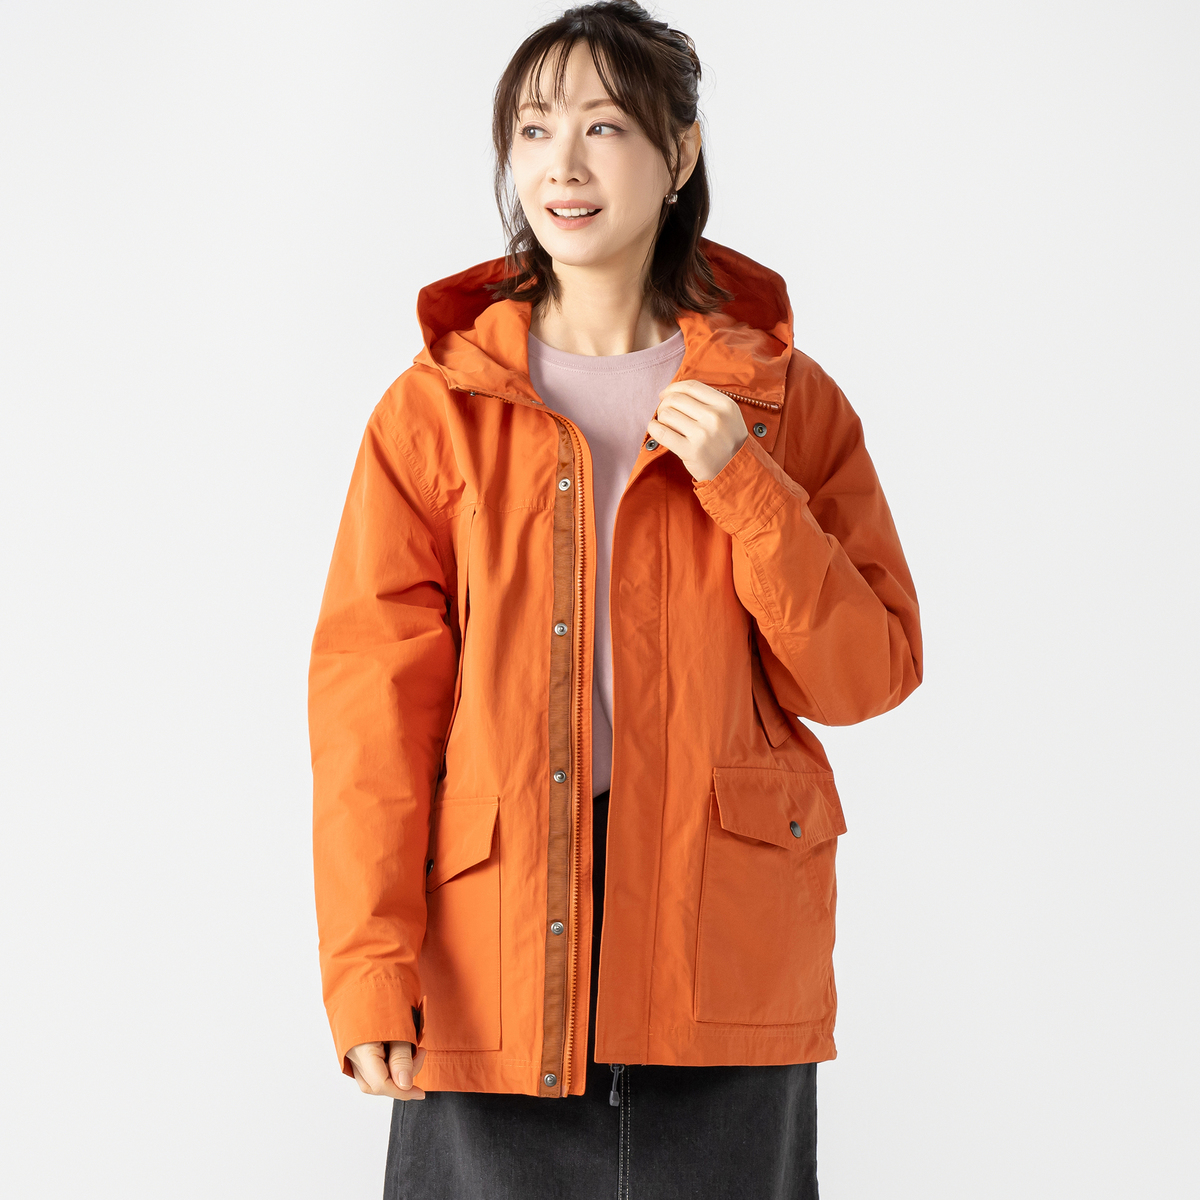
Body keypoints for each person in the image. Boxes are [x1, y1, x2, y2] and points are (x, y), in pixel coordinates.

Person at [307, 3, 923, 1196]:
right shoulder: (435, 411)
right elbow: (369, 712)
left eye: (604, 127)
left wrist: (747, 486)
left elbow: (866, 675)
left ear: (679, 152)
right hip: (494, 949)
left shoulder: (785, 404)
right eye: (535, 130)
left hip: (716, 946)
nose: (563, 167)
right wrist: (368, 968)